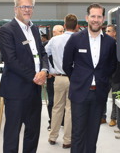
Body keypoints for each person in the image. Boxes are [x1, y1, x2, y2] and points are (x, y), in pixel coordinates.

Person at [0, 0, 49, 153]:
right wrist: (35, 76)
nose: (27, 10)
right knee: (13, 133)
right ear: (16, 9)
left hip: (34, 91)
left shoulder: (34, 29)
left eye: (30, 6)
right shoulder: (6, 30)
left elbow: (43, 53)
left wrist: (44, 71)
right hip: (16, 91)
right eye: (23, 6)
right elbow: (11, 61)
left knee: (33, 132)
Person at [63, 3, 117, 153]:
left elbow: (112, 65)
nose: (96, 19)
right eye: (93, 16)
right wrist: (78, 80)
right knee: (78, 134)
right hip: (79, 93)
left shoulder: (110, 42)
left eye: (99, 16)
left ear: (104, 19)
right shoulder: (75, 39)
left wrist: (103, 80)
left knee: (93, 134)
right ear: (87, 18)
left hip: (98, 94)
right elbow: (67, 64)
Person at [46, 14, 79, 149]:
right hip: (74, 78)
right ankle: (67, 140)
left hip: (58, 77)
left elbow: (45, 53)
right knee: (70, 109)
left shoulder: (55, 40)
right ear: (77, 26)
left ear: (64, 26)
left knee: (57, 107)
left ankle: (52, 137)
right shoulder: (80, 39)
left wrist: (51, 69)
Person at [105, 24, 117, 127]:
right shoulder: (104, 44)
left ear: (114, 33)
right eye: (106, 31)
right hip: (105, 75)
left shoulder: (118, 45)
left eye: (109, 31)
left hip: (116, 75)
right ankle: (102, 117)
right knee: (102, 95)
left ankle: (113, 118)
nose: (106, 33)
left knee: (115, 96)